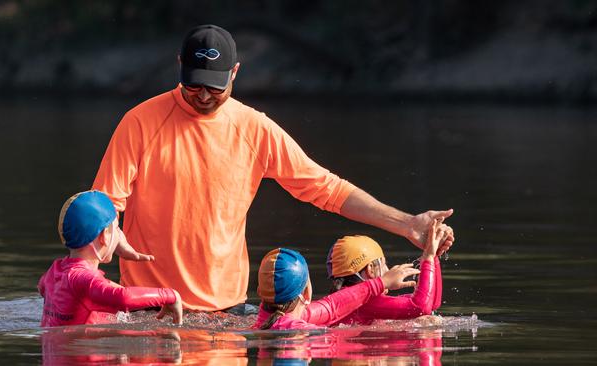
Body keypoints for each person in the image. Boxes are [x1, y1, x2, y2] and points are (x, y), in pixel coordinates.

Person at [92, 24, 455, 312]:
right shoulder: (139, 122)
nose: (203, 95)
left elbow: (326, 188)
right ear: (180, 66)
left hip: (227, 311)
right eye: (195, 85)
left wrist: (407, 223)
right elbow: (101, 207)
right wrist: (108, 239)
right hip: (148, 309)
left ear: (235, 72)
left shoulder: (254, 129)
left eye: (215, 87)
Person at [38, 190, 183, 327]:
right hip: (81, 351)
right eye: (117, 229)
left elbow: (43, 287)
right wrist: (170, 295)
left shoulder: (55, 271)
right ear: (105, 236)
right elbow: (123, 298)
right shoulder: (84, 281)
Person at [253, 248, 420, 330]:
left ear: (261, 292)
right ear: (306, 293)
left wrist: (382, 282)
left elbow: (333, 306)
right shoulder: (301, 331)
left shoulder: (261, 323)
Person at [325, 219, 445, 324]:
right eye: (384, 264)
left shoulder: (347, 298)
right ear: (371, 269)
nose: (388, 270)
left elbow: (432, 304)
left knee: (428, 320)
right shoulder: (362, 301)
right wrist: (428, 257)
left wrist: (434, 254)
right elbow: (420, 307)